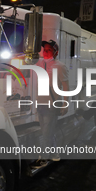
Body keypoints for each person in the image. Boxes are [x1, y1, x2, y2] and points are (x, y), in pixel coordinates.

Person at [31, 39, 69, 169]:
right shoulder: (40, 63)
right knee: (47, 131)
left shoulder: (60, 66)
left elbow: (66, 86)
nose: (46, 52)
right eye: (44, 50)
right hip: (40, 103)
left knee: (46, 133)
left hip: (52, 104)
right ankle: (55, 154)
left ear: (55, 52)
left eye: (49, 50)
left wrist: (65, 104)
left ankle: (43, 159)